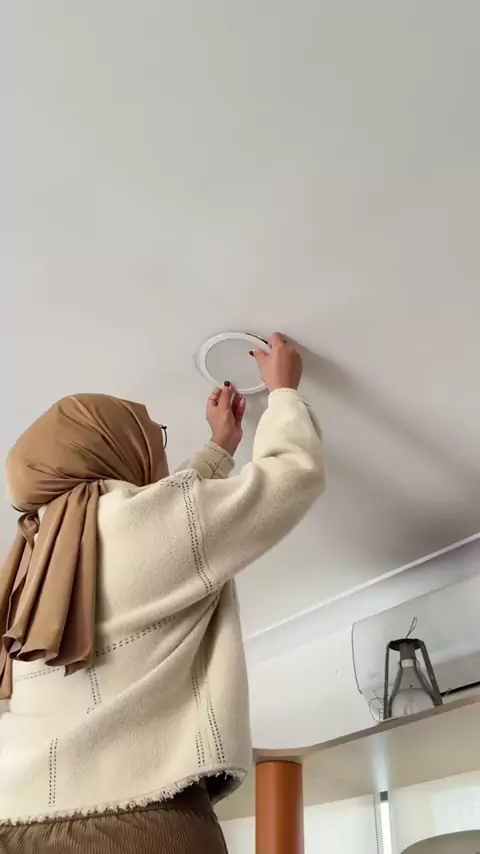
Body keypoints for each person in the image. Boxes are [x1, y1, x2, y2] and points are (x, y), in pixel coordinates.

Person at [0, 334, 325, 853]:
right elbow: (291, 476)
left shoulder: (31, 561)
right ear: (115, 447)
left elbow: (166, 532)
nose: (158, 449)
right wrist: (284, 393)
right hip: (135, 823)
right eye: (156, 438)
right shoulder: (141, 522)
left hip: (14, 821)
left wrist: (218, 450)